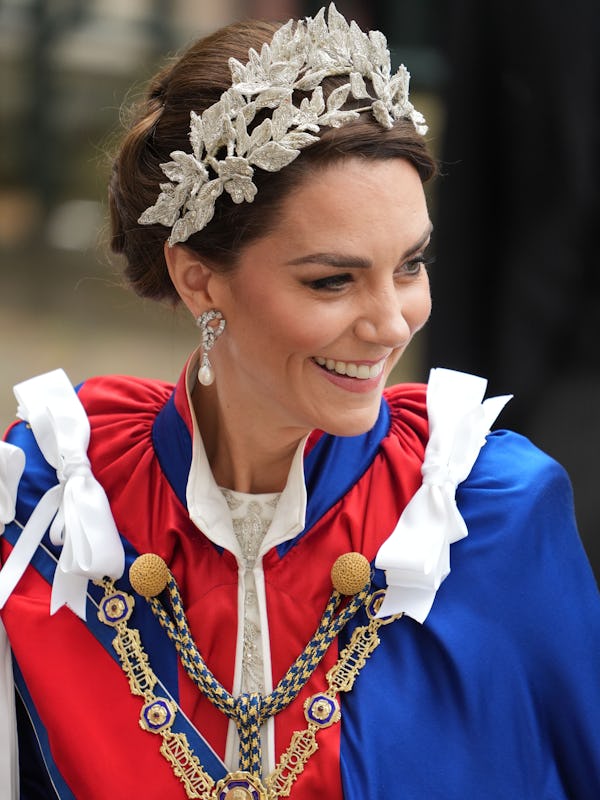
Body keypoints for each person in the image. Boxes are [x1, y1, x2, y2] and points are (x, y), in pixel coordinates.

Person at [0, 4, 598, 799]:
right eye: (332, 281)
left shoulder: (488, 510)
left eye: (411, 265)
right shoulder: (56, 507)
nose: (392, 324)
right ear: (198, 279)